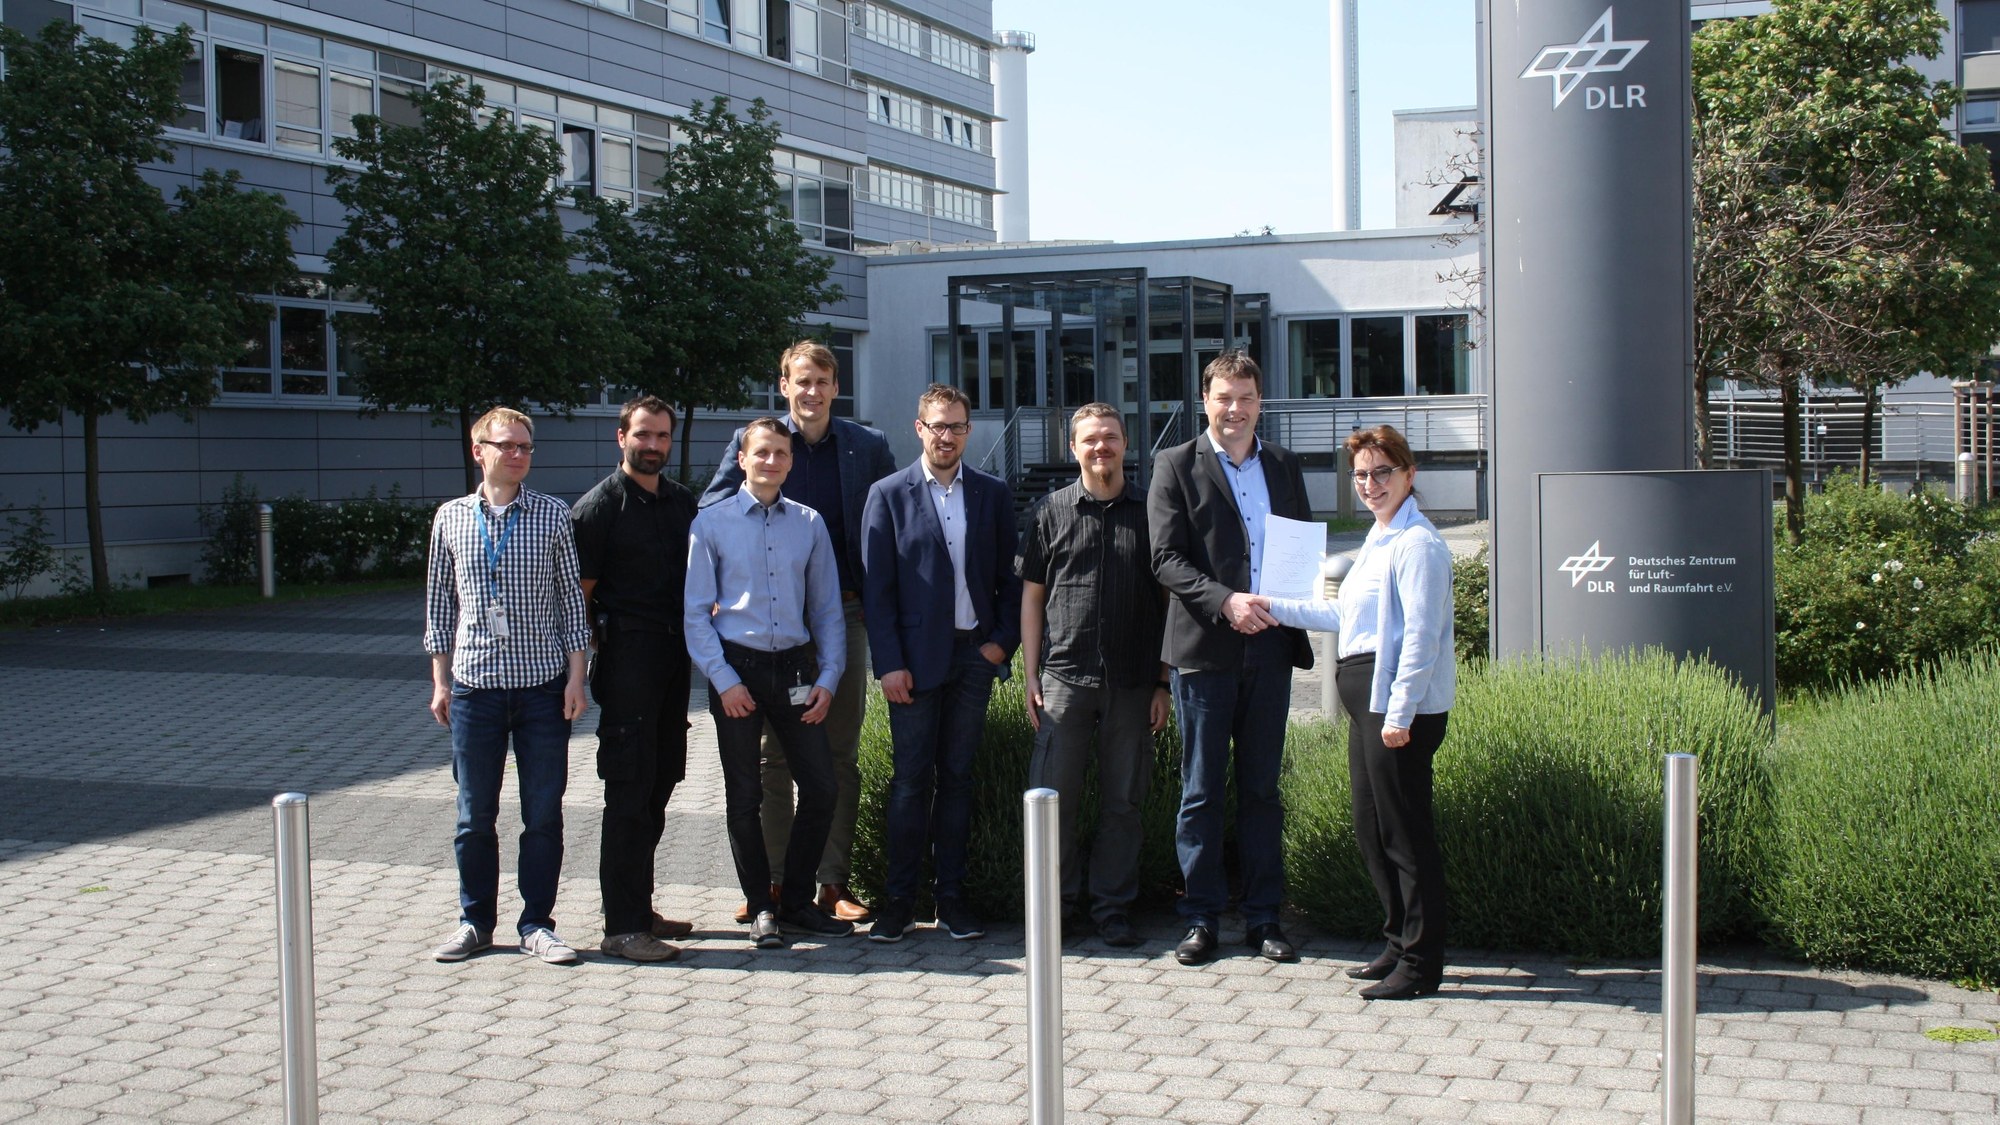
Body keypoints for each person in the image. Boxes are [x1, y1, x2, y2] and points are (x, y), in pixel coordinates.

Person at [1253, 424, 1455, 1000]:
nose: (1370, 484)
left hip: (1395, 706)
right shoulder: (1380, 537)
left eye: (1382, 472)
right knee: (1372, 829)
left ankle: (1421, 965)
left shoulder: (1417, 544)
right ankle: (1396, 942)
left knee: (1406, 835)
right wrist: (1274, 606)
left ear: (1409, 474)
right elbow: (1346, 618)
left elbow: (1421, 638)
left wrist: (1400, 714)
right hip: (1368, 698)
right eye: (1361, 475)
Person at [701, 342, 897, 926]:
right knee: (772, 760)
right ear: (783, 385)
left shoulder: (868, 446)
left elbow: (889, 524)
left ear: (837, 387)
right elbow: (713, 506)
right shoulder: (757, 441)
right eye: (801, 381)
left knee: (837, 752)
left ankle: (831, 882)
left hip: (843, 615)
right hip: (769, 627)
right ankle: (774, 884)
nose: (812, 391)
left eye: (823, 381)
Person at [1147, 351, 1314, 967]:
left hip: (1269, 647)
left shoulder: (1285, 465)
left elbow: (1300, 545)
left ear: (1260, 401)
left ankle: (1265, 918)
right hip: (1205, 653)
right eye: (1224, 397)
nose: (1235, 409)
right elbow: (1164, 558)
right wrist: (1225, 602)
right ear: (1205, 401)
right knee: (1200, 791)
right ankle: (1201, 918)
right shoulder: (1174, 465)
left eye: (1245, 397)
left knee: (1262, 790)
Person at [424, 407, 590, 965]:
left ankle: (537, 923)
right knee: (475, 814)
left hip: (543, 687)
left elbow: (572, 602)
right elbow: (439, 606)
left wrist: (576, 677)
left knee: (543, 812)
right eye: (506, 445)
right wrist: (441, 681)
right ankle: (475, 921)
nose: (517, 455)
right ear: (480, 451)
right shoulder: (449, 518)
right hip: (475, 688)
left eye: (525, 446)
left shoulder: (550, 515)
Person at [861, 383, 1021, 943]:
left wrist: (1001, 645)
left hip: (973, 659)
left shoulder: (993, 493)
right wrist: (887, 664)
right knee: (909, 784)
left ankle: (951, 900)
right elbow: (876, 591)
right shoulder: (887, 494)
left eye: (956, 426)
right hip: (912, 665)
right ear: (918, 428)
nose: (946, 435)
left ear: (968, 431)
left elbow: (1010, 578)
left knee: (957, 781)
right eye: (936, 425)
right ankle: (900, 903)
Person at [685, 417, 854, 949]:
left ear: (790, 461)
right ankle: (761, 905)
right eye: (761, 453)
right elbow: (695, 614)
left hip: (798, 670)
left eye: (781, 454)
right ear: (742, 459)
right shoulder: (710, 524)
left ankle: (799, 901)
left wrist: (829, 675)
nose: (771, 461)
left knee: (822, 787)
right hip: (738, 670)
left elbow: (827, 608)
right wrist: (724, 680)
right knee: (745, 794)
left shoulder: (808, 523)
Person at [1019, 403, 1169, 949]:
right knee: (1053, 799)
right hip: (1063, 678)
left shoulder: (1153, 512)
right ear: (1074, 448)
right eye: (1089, 439)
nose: (1100, 447)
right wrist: (1030, 674)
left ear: (1126, 443)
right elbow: (1032, 598)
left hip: (1133, 682)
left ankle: (1112, 909)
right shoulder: (1048, 513)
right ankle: (1054, 909)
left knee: (1123, 803)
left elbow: (1168, 599)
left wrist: (1162, 681)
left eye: (1109, 437)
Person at [571, 396, 698, 963]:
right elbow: (580, 597)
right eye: (643, 435)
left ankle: (638, 905)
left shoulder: (682, 504)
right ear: (620, 437)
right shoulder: (598, 509)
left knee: (661, 780)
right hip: (627, 664)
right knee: (628, 789)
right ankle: (622, 927)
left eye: (662, 437)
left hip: (674, 664)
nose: (653, 446)